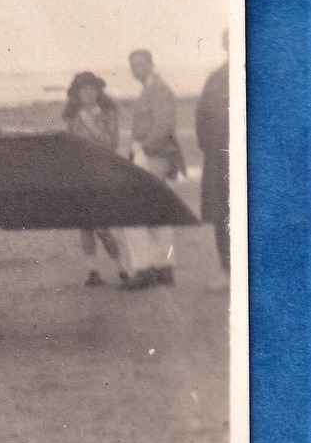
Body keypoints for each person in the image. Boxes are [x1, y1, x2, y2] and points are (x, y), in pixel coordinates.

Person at [122, 49, 184, 289]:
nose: (135, 69)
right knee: (156, 213)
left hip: (152, 157)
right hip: (152, 156)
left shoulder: (158, 89)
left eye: (140, 64)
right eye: (132, 65)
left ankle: (145, 270)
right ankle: (163, 268)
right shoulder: (151, 89)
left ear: (151, 64)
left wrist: (143, 150)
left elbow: (163, 125)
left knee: (135, 213)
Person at [62, 71, 128, 286]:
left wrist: (92, 126)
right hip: (81, 174)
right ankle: (93, 271)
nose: (88, 93)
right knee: (86, 225)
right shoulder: (72, 117)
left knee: (103, 226)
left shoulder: (108, 113)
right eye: (83, 90)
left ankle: (122, 269)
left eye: (92, 89)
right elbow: (70, 149)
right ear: (77, 94)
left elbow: (112, 143)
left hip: (103, 173)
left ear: (98, 91)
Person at [195, 30, 230, 275]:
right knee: (222, 214)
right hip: (219, 159)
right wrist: (210, 147)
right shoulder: (215, 78)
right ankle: (228, 271)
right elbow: (202, 116)